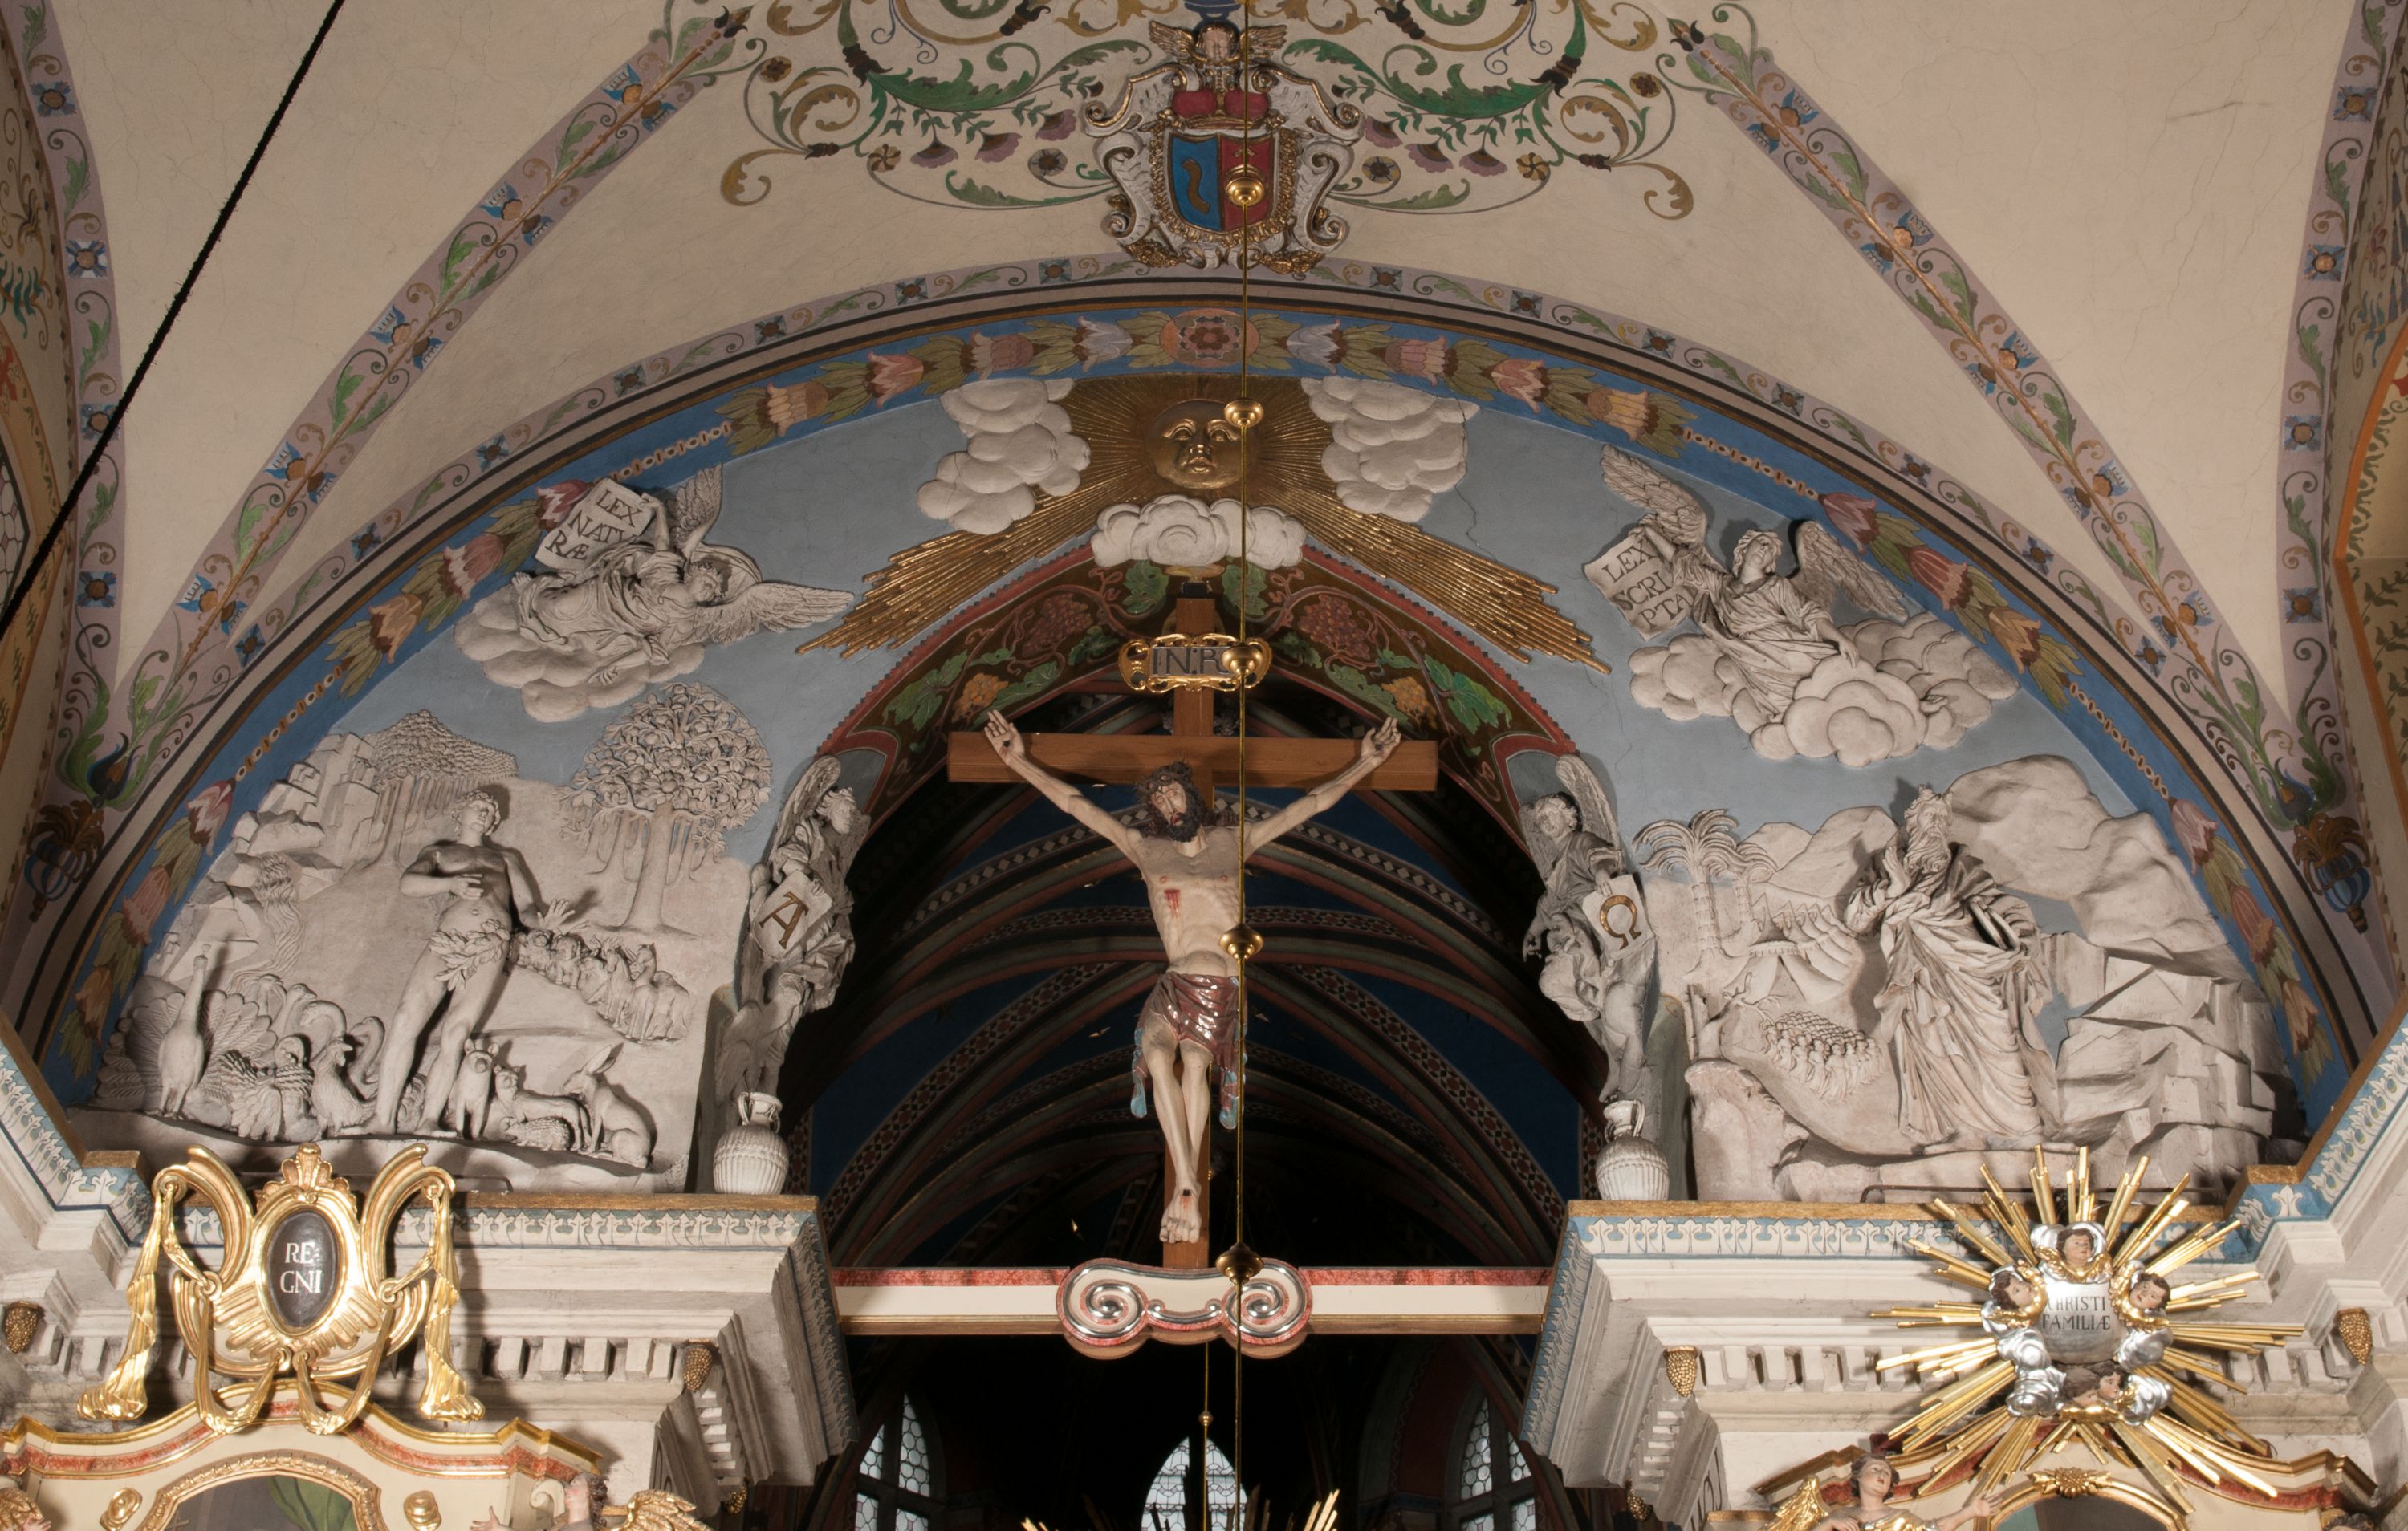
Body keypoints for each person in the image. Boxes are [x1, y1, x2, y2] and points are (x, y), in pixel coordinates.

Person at [983, 708, 1399, 1244]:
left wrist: (1365, 764)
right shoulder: (1147, 849)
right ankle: (1185, 1181)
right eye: (1156, 799)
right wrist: (1019, 763)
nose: (1166, 803)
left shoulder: (1234, 841)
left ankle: (1188, 1183)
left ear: (1191, 795)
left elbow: (1311, 804)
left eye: (1172, 792)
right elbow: (1076, 804)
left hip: (1217, 982)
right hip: (1173, 979)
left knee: (1194, 1066)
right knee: (1157, 1057)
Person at [372, 791, 544, 1134]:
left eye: (490, 812)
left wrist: (544, 921)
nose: (484, 814)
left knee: (457, 1032)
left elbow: (525, 908)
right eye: (477, 808)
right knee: (406, 1018)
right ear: (459, 813)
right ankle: (381, 1119)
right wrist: (451, 883)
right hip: (447, 939)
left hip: (490, 945)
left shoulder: (505, 858)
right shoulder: (439, 852)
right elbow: (408, 884)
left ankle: (429, 1120)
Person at [1820, 1454, 1994, 1531]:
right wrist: (1829, 1524)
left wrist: (1971, 1511)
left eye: (1886, 1473)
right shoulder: (1840, 1516)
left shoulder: (1901, 1519)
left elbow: (1934, 1529)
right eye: (1875, 1469)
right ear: (1858, 1477)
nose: (1882, 1475)